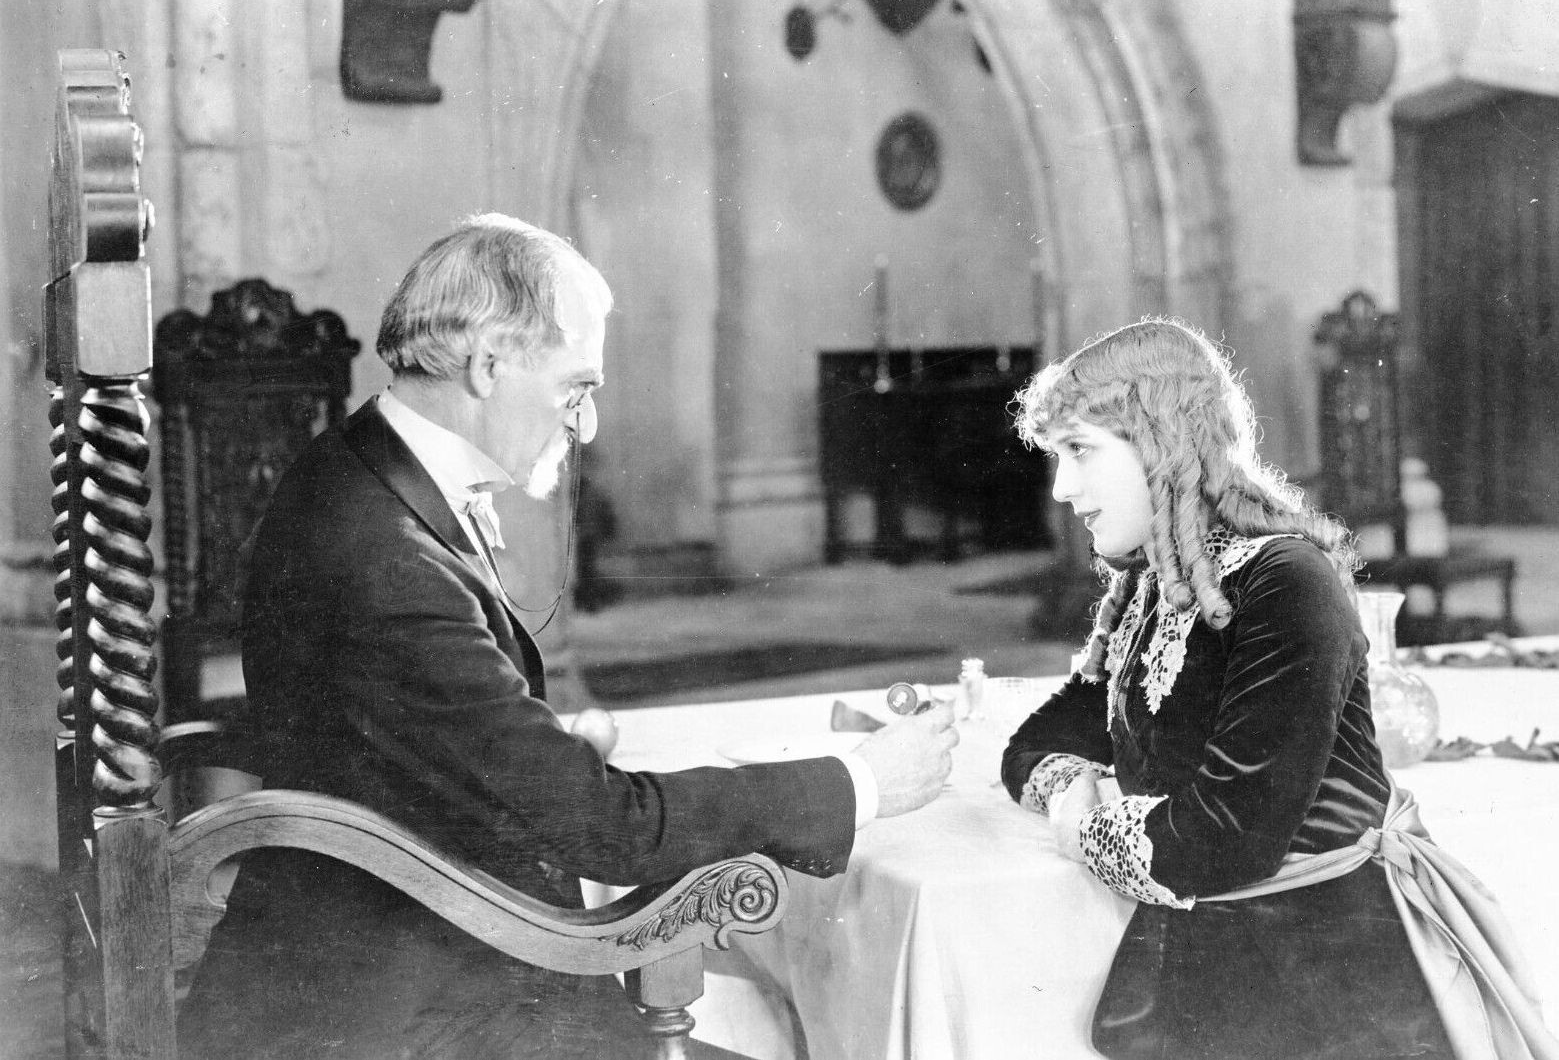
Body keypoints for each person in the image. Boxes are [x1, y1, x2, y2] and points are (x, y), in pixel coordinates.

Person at [177, 214, 959, 1059]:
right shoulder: (386, 555)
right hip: (400, 1012)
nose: (584, 426)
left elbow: (415, 733)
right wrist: (860, 782)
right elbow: (603, 828)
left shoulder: (355, 467)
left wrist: (524, 737)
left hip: (383, 957)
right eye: (574, 388)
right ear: (488, 363)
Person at [1000, 318, 1554, 1059]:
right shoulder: (1156, 584)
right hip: (1212, 959)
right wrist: (1074, 787)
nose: (1063, 488)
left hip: (1331, 981)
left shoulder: (1286, 582)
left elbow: (1228, 839)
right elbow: (1033, 743)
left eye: (1079, 451)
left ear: (1159, 442)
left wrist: (1085, 827)